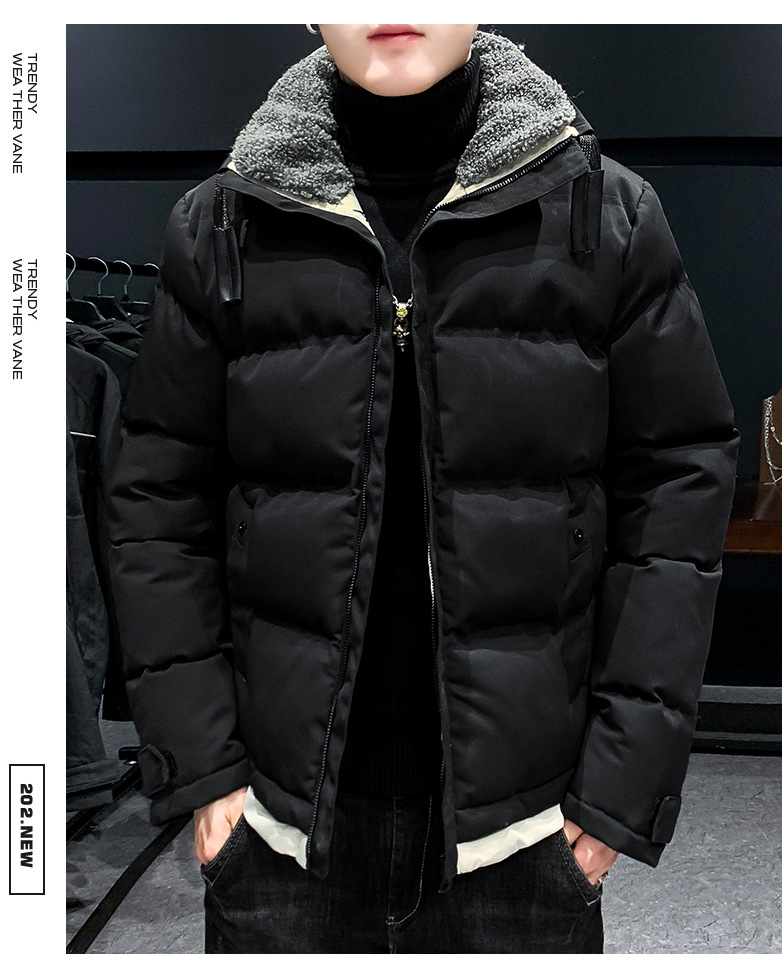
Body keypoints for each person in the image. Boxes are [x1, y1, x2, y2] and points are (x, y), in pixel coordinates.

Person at [107, 24, 740, 953]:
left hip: (527, 831)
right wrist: (201, 768)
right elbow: (158, 499)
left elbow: (676, 493)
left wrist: (622, 785)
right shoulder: (222, 224)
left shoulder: (607, 215)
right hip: (280, 832)